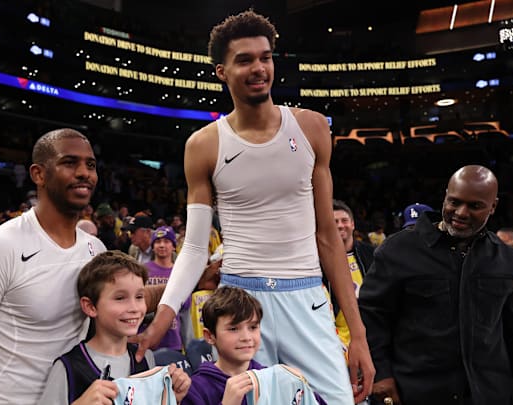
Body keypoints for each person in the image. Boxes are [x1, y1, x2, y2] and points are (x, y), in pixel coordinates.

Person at [136, 10, 374, 404]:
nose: (259, 67)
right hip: (238, 300)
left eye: (265, 57)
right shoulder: (203, 144)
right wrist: (162, 319)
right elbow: (195, 248)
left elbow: (327, 236)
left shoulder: (312, 127)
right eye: (244, 60)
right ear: (221, 71)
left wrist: (359, 335)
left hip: (308, 297)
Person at [0, 129, 163, 405]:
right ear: (38, 174)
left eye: (91, 165)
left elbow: (129, 298)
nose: (84, 172)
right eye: (69, 163)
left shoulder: (94, 248)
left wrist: (189, 284)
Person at [359, 165, 513, 405]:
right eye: (454, 202)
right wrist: (381, 374)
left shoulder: (507, 259)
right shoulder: (398, 250)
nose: (460, 212)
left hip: (489, 393)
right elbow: (371, 317)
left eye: (475, 206)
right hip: (416, 392)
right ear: (445, 196)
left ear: (493, 206)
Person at [40, 250, 190, 405]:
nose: (134, 308)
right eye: (120, 298)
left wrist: (171, 398)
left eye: (139, 297)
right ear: (91, 306)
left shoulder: (146, 359)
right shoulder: (68, 368)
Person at [183, 285, 265, 405]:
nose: (246, 337)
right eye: (233, 329)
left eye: (253, 327)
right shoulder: (196, 388)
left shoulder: (267, 377)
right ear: (210, 336)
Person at [330, 199, 375, 351]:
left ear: (353, 224)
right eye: (335, 221)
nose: (340, 225)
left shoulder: (372, 254)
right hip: (335, 341)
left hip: (370, 336)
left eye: (344, 220)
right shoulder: (319, 260)